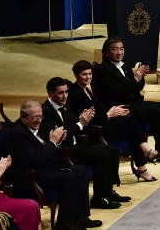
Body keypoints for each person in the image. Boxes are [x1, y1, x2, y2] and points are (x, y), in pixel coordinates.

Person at [4, 100, 100, 230]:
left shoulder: (38, 127)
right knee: (70, 177)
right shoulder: (18, 134)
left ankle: (81, 216)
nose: (39, 120)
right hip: (29, 176)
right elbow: (35, 160)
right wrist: (53, 143)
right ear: (24, 117)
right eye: (35, 117)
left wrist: (58, 142)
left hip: (45, 169)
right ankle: (64, 223)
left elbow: (47, 150)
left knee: (81, 170)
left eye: (40, 116)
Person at [92, 37, 160, 162]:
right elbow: (119, 92)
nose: (119, 52)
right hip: (121, 106)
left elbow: (135, 88)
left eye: (121, 49)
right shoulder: (103, 70)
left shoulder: (124, 66)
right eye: (115, 49)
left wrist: (140, 77)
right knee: (157, 112)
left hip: (134, 102)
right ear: (107, 52)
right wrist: (136, 78)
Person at [69, 60, 160, 183]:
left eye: (90, 74)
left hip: (102, 122)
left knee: (129, 120)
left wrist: (113, 111)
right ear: (76, 75)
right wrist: (108, 115)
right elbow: (88, 118)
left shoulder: (86, 90)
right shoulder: (75, 93)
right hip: (93, 131)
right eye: (84, 74)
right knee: (129, 126)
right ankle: (144, 157)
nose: (88, 77)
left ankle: (143, 164)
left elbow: (97, 110)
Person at [41, 76, 129, 208]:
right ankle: (98, 198)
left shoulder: (65, 105)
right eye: (61, 93)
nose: (65, 96)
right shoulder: (46, 111)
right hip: (64, 150)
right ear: (50, 94)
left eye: (66, 92)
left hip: (76, 145)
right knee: (102, 154)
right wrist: (80, 123)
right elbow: (62, 135)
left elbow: (73, 123)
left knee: (112, 150)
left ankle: (108, 191)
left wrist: (83, 119)